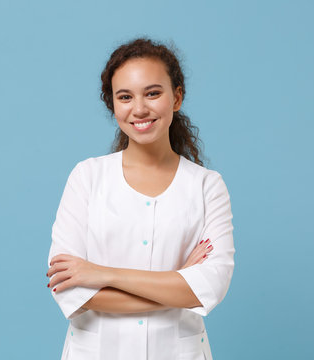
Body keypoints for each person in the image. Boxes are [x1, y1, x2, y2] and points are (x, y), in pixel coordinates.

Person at [46, 37, 235, 360]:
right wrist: (177, 284)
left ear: (176, 97)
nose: (139, 108)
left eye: (152, 93)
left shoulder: (207, 186)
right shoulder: (87, 177)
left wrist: (104, 274)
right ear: (113, 105)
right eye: (125, 97)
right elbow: (71, 289)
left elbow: (210, 287)